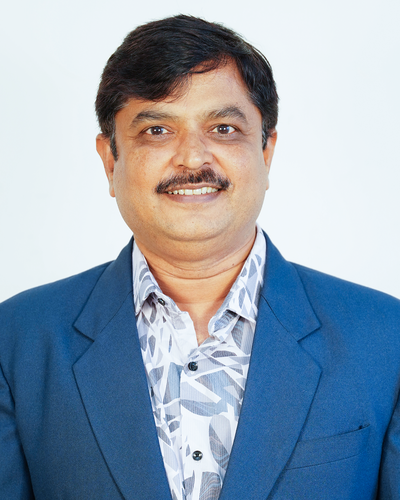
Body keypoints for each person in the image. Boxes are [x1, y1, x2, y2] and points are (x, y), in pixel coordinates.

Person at [0, 14, 399, 500]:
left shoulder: (386, 339)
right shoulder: (16, 342)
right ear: (110, 160)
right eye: (157, 130)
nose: (192, 158)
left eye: (224, 128)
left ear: (266, 152)